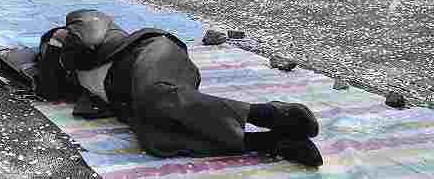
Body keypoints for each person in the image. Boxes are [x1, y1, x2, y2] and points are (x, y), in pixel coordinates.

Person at [32, 9, 323, 167]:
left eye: (55, 42)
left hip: (151, 54)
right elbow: (46, 89)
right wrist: (51, 58)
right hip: (138, 96)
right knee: (155, 140)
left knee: (156, 95)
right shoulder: (74, 78)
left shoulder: (84, 23)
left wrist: (61, 39)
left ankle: (268, 115)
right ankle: (273, 143)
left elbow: (90, 33)